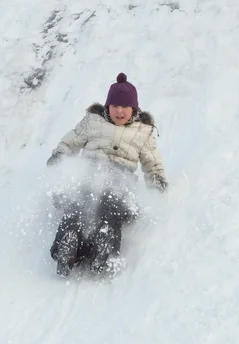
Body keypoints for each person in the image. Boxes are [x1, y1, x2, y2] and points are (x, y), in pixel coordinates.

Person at [47, 73, 167, 276]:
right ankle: (67, 245)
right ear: (107, 106)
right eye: (115, 106)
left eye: (125, 107)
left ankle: (104, 249)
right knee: (77, 202)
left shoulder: (143, 132)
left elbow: (152, 162)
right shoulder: (92, 121)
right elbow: (71, 141)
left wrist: (156, 180)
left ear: (134, 109)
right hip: (89, 173)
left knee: (109, 207)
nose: (119, 111)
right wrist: (60, 155)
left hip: (120, 181)